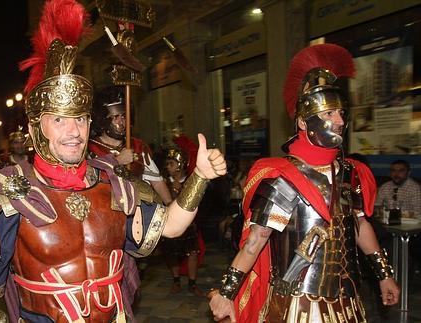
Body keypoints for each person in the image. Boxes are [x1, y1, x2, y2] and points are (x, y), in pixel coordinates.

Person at [0, 1, 226, 322]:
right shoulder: (10, 194)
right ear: (38, 128)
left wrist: (200, 176)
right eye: (59, 120)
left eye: (79, 119)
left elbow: (173, 227)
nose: (73, 131)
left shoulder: (114, 184)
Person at [209, 43, 400, 323]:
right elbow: (256, 241)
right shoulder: (285, 178)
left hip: (348, 298)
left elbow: (360, 226)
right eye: (328, 114)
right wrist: (227, 292)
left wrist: (384, 275)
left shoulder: (349, 173)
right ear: (303, 122)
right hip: (297, 300)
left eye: (341, 113)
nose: (339, 121)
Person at [88, 87, 174, 318]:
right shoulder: (89, 149)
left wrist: (171, 208)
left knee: (128, 283)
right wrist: (116, 161)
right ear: (101, 120)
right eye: (115, 117)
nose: (121, 121)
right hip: (100, 226)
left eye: (124, 116)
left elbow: (156, 181)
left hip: (130, 226)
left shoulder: (137, 147)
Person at [162, 147, 204, 296]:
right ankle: (176, 281)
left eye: (171, 163)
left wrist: (182, 191)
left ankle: (192, 284)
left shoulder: (190, 180)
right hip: (169, 223)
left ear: (179, 164)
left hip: (189, 225)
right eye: (167, 163)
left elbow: (197, 200)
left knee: (192, 253)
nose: (168, 166)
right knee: (172, 254)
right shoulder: (163, 182)